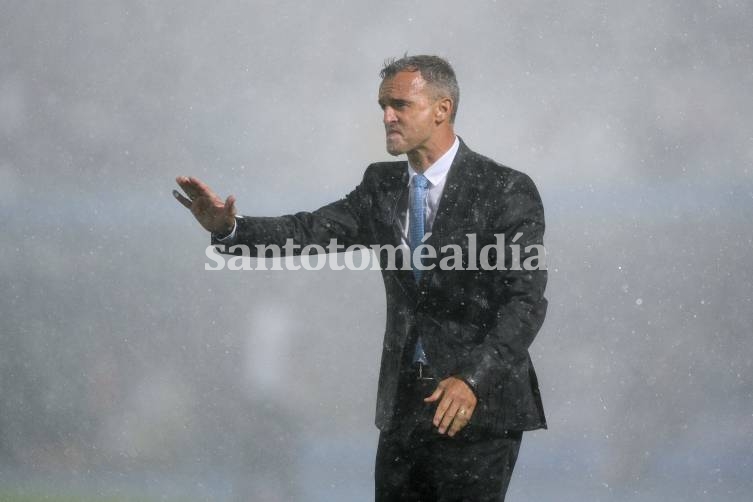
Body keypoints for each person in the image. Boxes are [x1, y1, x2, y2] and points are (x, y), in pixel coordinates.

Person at [174, 54, 548, 501]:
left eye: (400, 105)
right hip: (405, 406)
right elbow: (308, 231)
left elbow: (525, 303)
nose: (387, 117)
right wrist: (228, 228)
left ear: (442, 109)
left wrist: (472, 379)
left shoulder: (505, 188)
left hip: (479, 407)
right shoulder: (382, 184)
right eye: (382, 106)